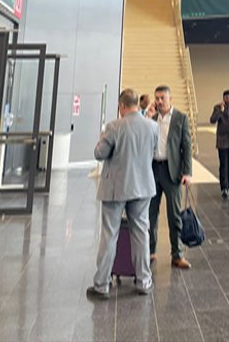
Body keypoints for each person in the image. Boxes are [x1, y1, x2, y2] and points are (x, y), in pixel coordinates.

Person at [87, 89, 159, 300]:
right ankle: (144, 280)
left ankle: (102, 284)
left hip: (116, 188)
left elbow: (99, 153)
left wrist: (102, 139)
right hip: (143, 187)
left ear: (121, 106)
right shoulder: (152, 126)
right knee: (141, 233)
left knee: (109, 234)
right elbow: (153, 152)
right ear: (137, 103)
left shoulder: (114, 127)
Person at [149, 85, 193, 270]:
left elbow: (187, 146)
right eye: (157, 98)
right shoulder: (152, 119)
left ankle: (177, 254)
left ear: (170, 99)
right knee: (151, 214)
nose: (159, 101)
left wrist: (187, 172)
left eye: (162, 98)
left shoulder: (181, 118)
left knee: (174, 215)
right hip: (153, 170)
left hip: (172, 172)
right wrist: (147, 116)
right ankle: (150, 251)